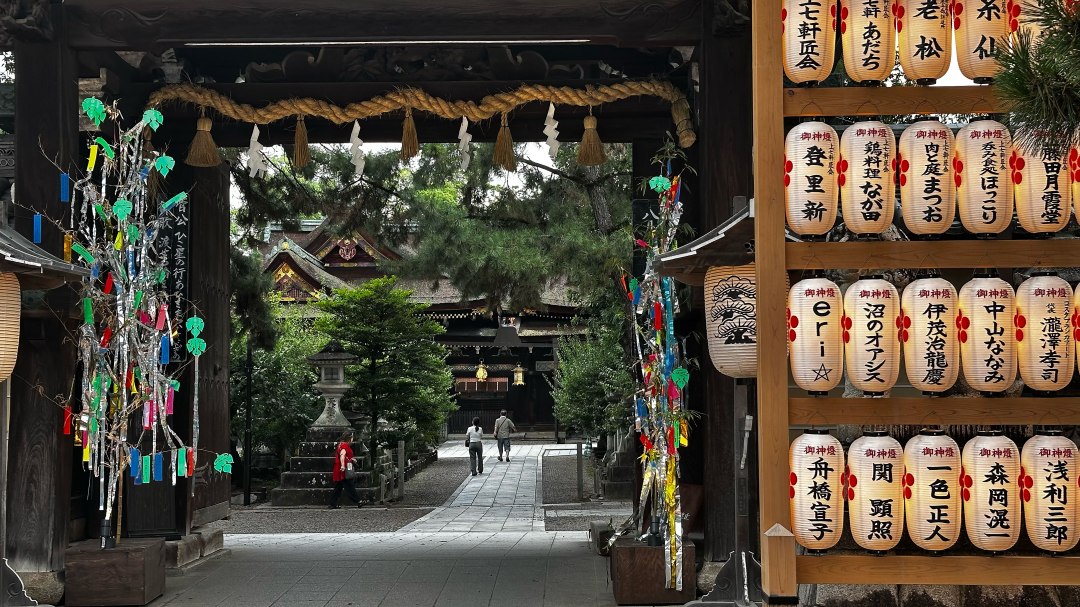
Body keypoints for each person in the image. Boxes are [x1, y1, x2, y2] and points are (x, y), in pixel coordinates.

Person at [329, 431, 363, 509]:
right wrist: (343, 465)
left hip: (340, 467)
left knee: (339, 487)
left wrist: (351, 460)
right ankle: (358, 501)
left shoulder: (341, 444)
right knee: (349, 485)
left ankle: (332, 503)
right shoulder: (344, 446)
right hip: (343, 469)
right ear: (349, 438)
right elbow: (342, 455)